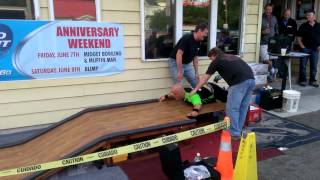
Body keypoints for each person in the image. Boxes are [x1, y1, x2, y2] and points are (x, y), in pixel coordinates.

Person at [190, 48, 255, 140]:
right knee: (242, 107)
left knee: (232, 108)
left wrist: (195, 89)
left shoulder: (217, 60)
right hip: (251, 80)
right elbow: (243, 68)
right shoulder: (232, 56)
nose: (211, 61)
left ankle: (235, 133)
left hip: (238, 83)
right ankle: (238, 130)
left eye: (211, 58)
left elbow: (205, 77)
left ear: (214, 55)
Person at [168, 23, 208, 88]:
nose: (206, 35)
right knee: (178, 85)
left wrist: (196, 72)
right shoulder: (186, 38)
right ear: (199, 31)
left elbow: (195, 57)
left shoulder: (198, 41)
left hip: (186, 64)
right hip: (175, 62)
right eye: (205, 33)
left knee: (195, 81)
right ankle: (178, 97)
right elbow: (179, 54)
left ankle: (198, 96)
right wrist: (180, 71)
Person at [159, 83, 227, 117]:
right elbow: (172, 93)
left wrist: (195, 111)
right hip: (205, 88)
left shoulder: (192, 96)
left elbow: (198, 104)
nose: (173, 95)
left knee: (227, 98)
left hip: (213, 89)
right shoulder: (182, 91)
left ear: (180, 93)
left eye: (175, 94)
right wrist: (165, 96)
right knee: (211, 100)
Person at [297, 9, 320, 87]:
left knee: (314, 66)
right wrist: (303, 47)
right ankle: (302, 80)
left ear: (313, 16)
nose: (307, 17)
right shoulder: (303, 26)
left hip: (315, 49)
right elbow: (299, 38)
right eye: (306, 15)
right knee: (303, 65)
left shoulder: (319, 25)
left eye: (309, 15)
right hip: (305, 49)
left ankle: (312, 80)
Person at [277, 9, 297, 90]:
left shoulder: (293, 21)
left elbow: (294, 31)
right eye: (285, 14)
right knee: (280, 57)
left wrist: (291, 39)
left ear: (290, 14)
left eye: (288, 14)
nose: (287, 15)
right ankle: (280, 73)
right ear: (283, 14)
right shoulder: (279, 20)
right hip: (280, 41)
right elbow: (277, 29)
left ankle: (285, 73)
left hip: (288, 42)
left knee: (286, 57)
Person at [260, 3, 278, 81]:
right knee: (265, 60)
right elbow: (256, 30)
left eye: (270, 9)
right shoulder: (261, 17)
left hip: (273, 42)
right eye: (267, 9)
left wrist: (277, 38)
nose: (268, 11)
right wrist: (262, 32)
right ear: (264, 9)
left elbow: (276, 29)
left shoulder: (274, 18)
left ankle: (269, 76)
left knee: (271, 60)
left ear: (272, 10)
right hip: (263, 41)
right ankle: (273, 71)